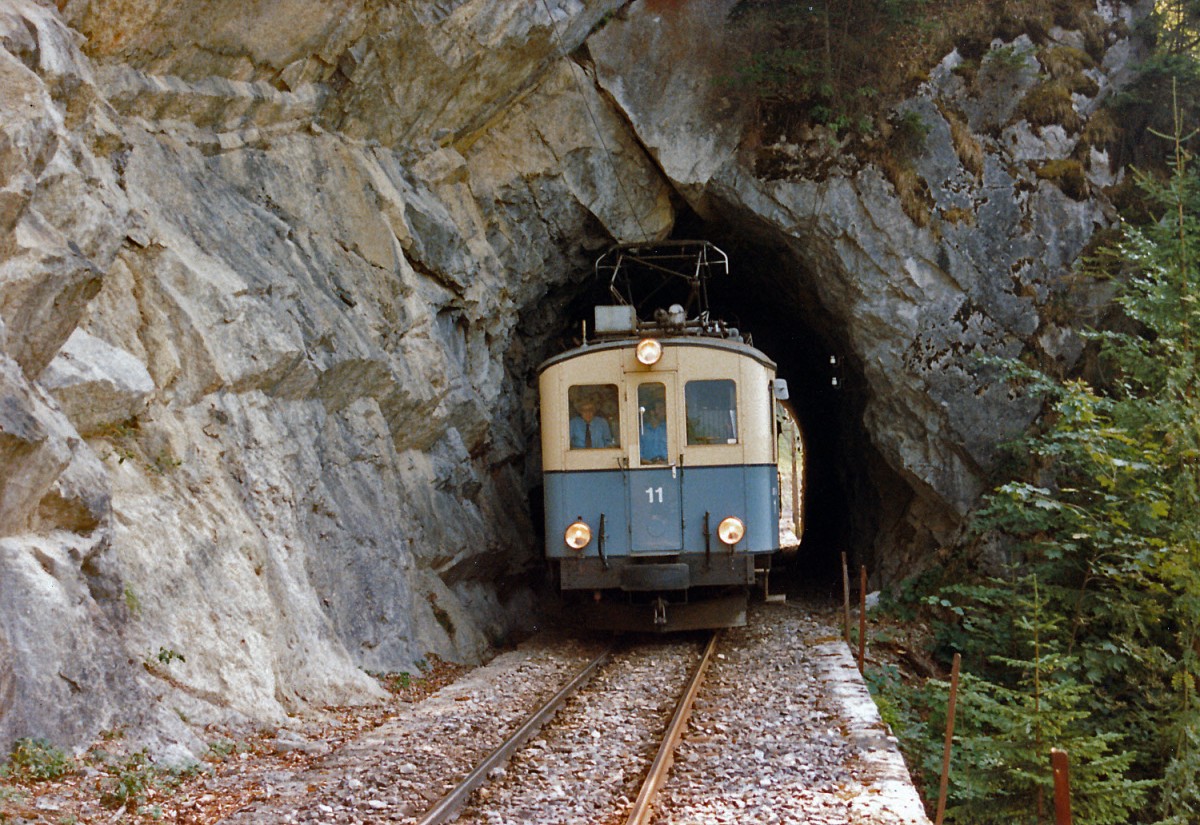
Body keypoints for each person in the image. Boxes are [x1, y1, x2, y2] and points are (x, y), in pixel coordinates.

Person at [640, 398, 667, 463]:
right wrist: (650, 463)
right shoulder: (642, 431)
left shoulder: (667, 429)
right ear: (652, 412)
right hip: (647, 467)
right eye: (660, 408)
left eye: (663, 408)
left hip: (667, 466)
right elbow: (638, 455)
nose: (663, 411)